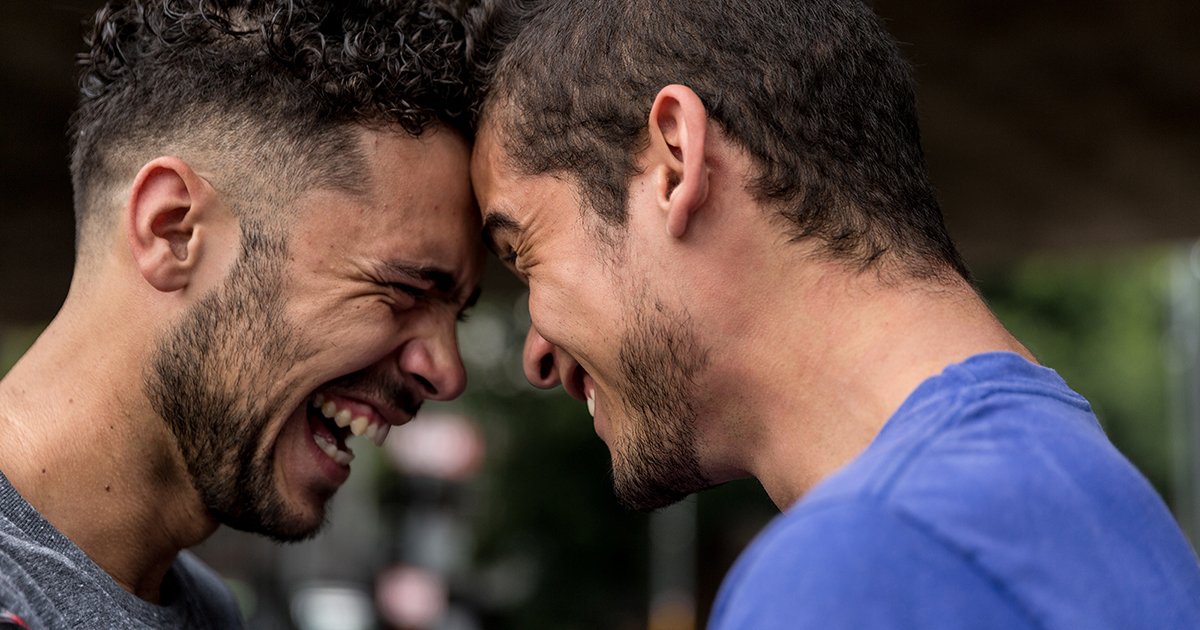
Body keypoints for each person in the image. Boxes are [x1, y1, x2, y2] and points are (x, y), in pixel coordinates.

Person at [466, 0, 1200, 627]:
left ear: (674, 162)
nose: (535, 353)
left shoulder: (865, 560)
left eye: (521, 250)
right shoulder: (1083, 492)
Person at [0, 1, 482, 627]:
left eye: (457, 315)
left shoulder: (210, 610)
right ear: (172, 230)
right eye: (405, 289)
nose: (447, 372)